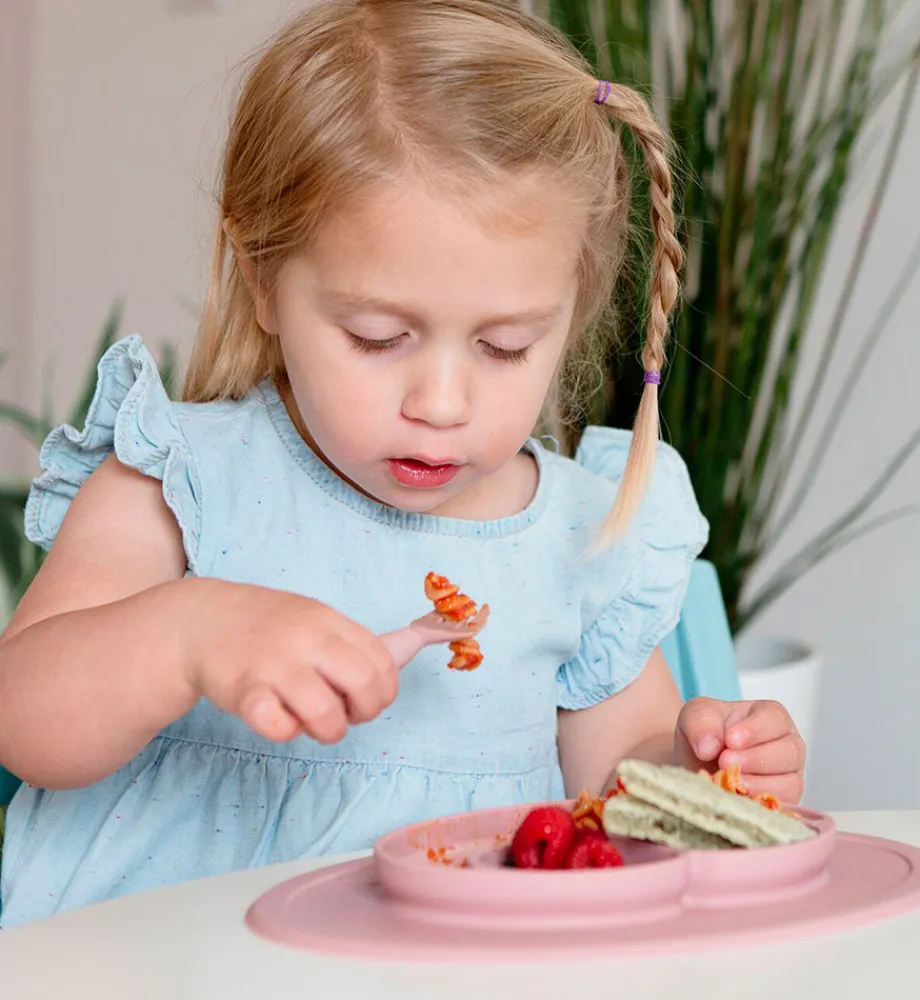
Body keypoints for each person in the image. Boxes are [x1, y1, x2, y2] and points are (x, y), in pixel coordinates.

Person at [0, 0, 804, 927]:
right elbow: (25, 722)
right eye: (379, 337)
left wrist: (698, 774)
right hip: (168, 964)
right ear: (262, 278)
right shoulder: (181, 483)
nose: (442, 403)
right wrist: (184, 636)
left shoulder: (579, 536)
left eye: (504, 347)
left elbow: (619, 788)